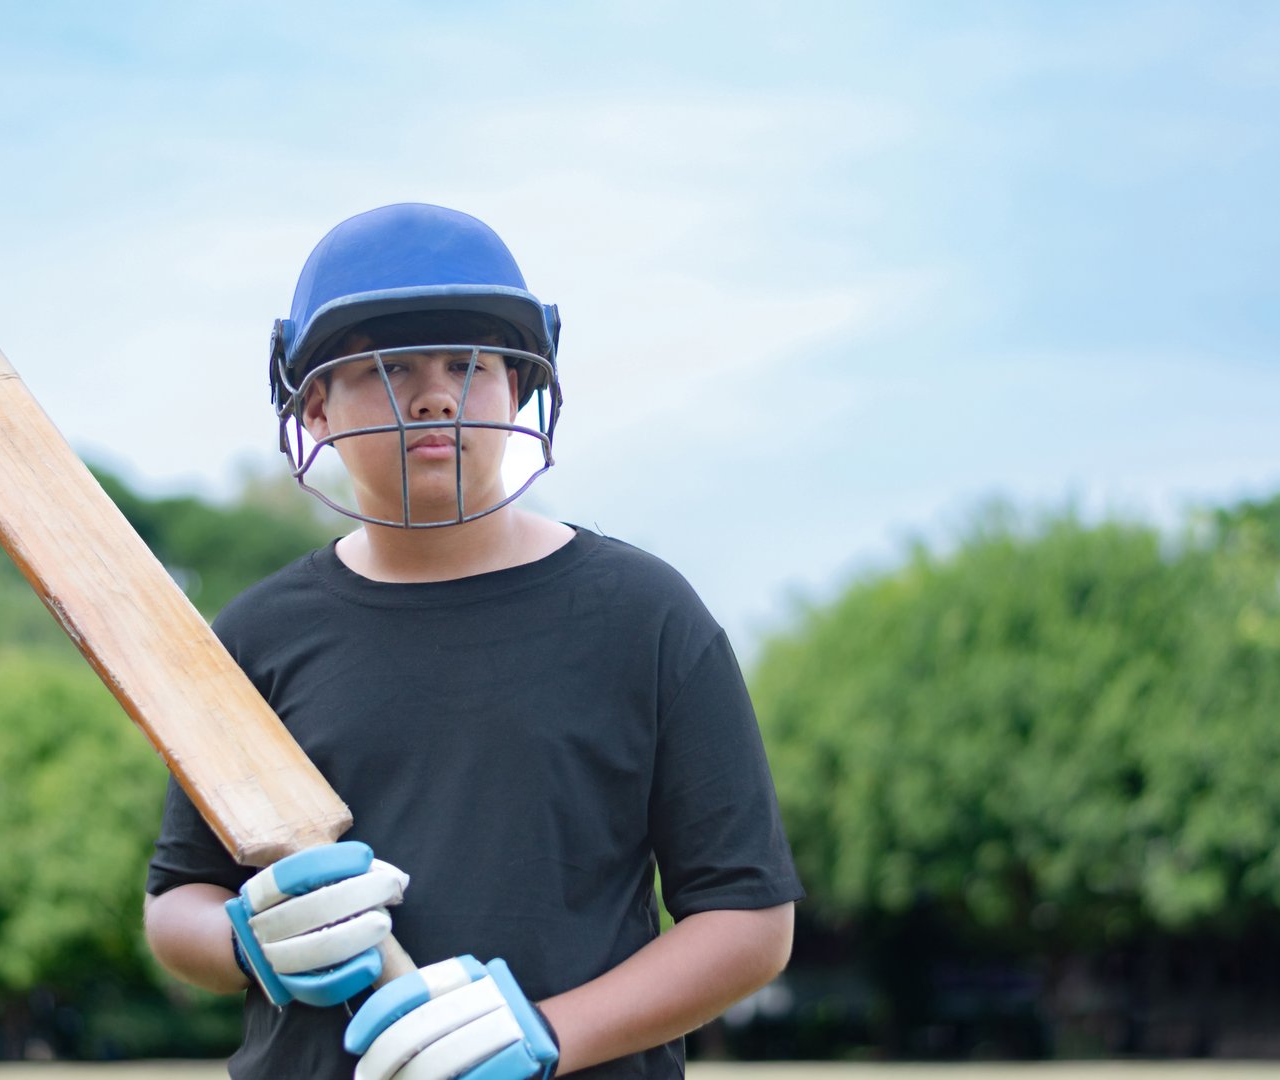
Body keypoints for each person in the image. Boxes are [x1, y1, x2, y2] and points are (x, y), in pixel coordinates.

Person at [143, 202, 802, 1079]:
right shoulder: (258, 636)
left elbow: (749, 923)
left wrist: (547, 1034)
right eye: (390, 367)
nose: (435, 394)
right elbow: (175, 903)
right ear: (314, 407)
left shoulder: (645, 617)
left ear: (522, 386)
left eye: (471, 364)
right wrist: (248, 943)